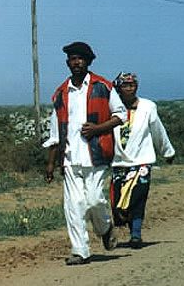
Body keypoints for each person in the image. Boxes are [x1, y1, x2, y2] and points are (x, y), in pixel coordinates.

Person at [43, 42, 127, 265]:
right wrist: (51, 164)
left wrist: (98, 129)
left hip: (97, 154)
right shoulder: (60, 94)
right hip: (70, 158)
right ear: (67, 62)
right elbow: (55, 132)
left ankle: (105, 227)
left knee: (93, 199)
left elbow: (121, 115)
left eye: (81, 58)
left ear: (88, 61)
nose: (76, 62)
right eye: (72, 58)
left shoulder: (103, 86)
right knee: (74, 205)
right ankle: (80, 251)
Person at [110, 72, 175, 249]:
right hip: (119, 162)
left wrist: (167, 152)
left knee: (137, 197)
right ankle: (124, 229)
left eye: (132, 84)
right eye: (125, 85)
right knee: (119, 203)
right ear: (118, 88)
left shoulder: (148, 107)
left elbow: (158, 131)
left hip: (142, 162)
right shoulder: (112, 109)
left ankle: (136, 235)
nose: (129, 88)